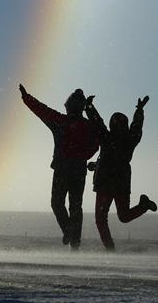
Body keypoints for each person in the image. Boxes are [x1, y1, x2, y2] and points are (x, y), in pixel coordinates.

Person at [20, 84, 99, 250]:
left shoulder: (60, 121)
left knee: (58, 203)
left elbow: (42, 110)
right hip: (77, 169)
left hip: (64, 168)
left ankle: (70, 233)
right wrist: (83, 156)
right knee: (75, 206)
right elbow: (95, 144)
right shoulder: (85, 126)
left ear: (68, 105)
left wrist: (27, 98)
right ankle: (74, 243)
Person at [85, 95, 158, 251]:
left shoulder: (107, 137)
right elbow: (136, 127)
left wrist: (89, 106)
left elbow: (98, 123)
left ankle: (110, 249)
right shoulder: (130, 139)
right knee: (123, 216)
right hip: (121, 182)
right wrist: (139, 110)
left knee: (100, 219)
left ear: (112, 124)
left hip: (106, 183)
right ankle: (143, 205)